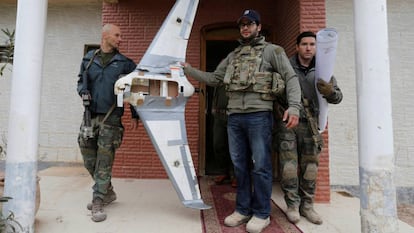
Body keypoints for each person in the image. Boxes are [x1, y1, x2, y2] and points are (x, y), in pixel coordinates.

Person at [182, 9, 301, 233]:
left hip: (259, 116)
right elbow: (214, 79)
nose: (245, 28)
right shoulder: (233, 56)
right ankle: (243, 209)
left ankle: (262, 213)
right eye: (242, 25)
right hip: (234, 117)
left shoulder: (273, 51)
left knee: (261, 166)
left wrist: (294, 107)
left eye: (250, 24)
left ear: (258, 26)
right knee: (240, 166)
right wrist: (188, 69)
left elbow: (290, 77)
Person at [273, 31, 343, 225]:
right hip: (288, 123)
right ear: (297, 47)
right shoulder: (285, 68)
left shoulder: (324, 70)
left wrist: (330, 92)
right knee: (288, 168)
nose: (308, 48)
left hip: (311, 126)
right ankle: (293, 206)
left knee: (310, 168)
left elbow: (338, 97)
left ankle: (307, 206)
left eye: (312, 44)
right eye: (304, 44)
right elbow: (273, 94)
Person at [76, 24, 138, 222]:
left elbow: (134, 91)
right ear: (105, 36)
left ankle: (98, 200)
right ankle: (107, 191)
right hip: (90, 115)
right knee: (87, 156)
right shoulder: (89, 59)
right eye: (117, 35)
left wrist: (135, 114)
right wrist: (82, 91)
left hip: (111, 118)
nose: (120, 39)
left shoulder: (126, 64)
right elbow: (80, 81)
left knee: (104, 161)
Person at [211, 84, 236, 188]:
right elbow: (216, 93)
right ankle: (223, 171)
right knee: (218, 144)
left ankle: (236, 175)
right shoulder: (220, 76)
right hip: (219, 115)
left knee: (235, 147)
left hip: (234, 115)